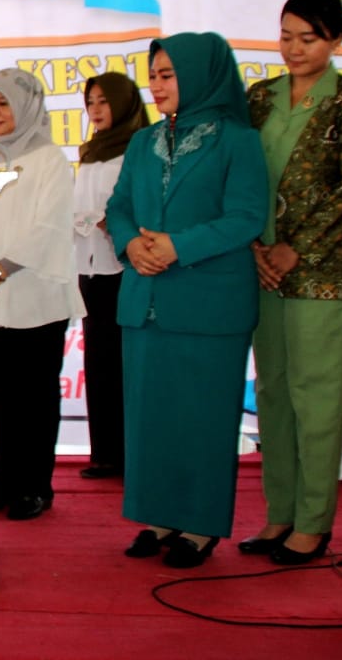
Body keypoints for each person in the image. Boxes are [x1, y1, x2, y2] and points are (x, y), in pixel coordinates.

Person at [107, 33, 268, 568]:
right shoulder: (142, 141)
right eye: (153, 75)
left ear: (201, 75)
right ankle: (158, 517)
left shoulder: (237, 140)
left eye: (168, 75)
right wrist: (131, 244)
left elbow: (247, 216)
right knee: (152, 416)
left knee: (203, 418)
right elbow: (120, 203)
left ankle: (199, 527)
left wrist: (179, 246)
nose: (156, 85)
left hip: (209, 301)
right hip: (145, 297)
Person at [240, 0, 342, 565]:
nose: (294, 49)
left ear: (336, 40)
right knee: (272, 392)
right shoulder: (258, 99)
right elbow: (240, 176)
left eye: (309, 38)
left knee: (315, 396)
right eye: (286, 36)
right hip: (261, 269)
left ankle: (314, 523)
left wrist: (296, 248)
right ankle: (280, 515)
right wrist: (255, 244)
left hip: (321, 270)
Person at [0, 68, 85, 520]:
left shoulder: (49, 159)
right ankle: (3, 479)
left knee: (35, 396)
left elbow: (49, 226)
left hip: (35, 295)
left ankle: (35, 486)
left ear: (25, 105)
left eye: (3, 103)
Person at [74, 73, 150, 481]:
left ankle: (135, 454)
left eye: (104, 101)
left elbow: (145, 204)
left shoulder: (140, 148)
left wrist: (118, 223)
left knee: (129, 363)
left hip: (126, 267)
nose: (97, 110)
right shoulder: (89, 153)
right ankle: (105, 452)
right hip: (90, 267)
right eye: (91, 102)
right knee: (99, 361)